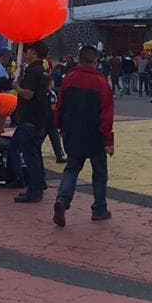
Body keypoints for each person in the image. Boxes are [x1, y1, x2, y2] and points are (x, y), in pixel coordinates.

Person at [52, 46, 115, 226]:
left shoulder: (69, 78)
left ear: (79, 59)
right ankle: (99, 208)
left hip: (73, 132)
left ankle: (63, 200)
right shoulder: (101, 82)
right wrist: (108, 140)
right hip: (95, 135)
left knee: (72, 169)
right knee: (100, 173)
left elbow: (60, 105)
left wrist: (60, 127)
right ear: (96, 61)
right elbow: (106, 114)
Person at [11, 41, 53, 204]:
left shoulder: (32, 71)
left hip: (29, 118)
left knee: (30, 156)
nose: (24, 54)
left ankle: (34, 190)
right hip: (40, 118)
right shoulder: (42, 71)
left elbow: (28, 94)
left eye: (26, 51)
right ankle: (39, 183)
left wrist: (17, 87)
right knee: (36, 154)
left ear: (33, 52)